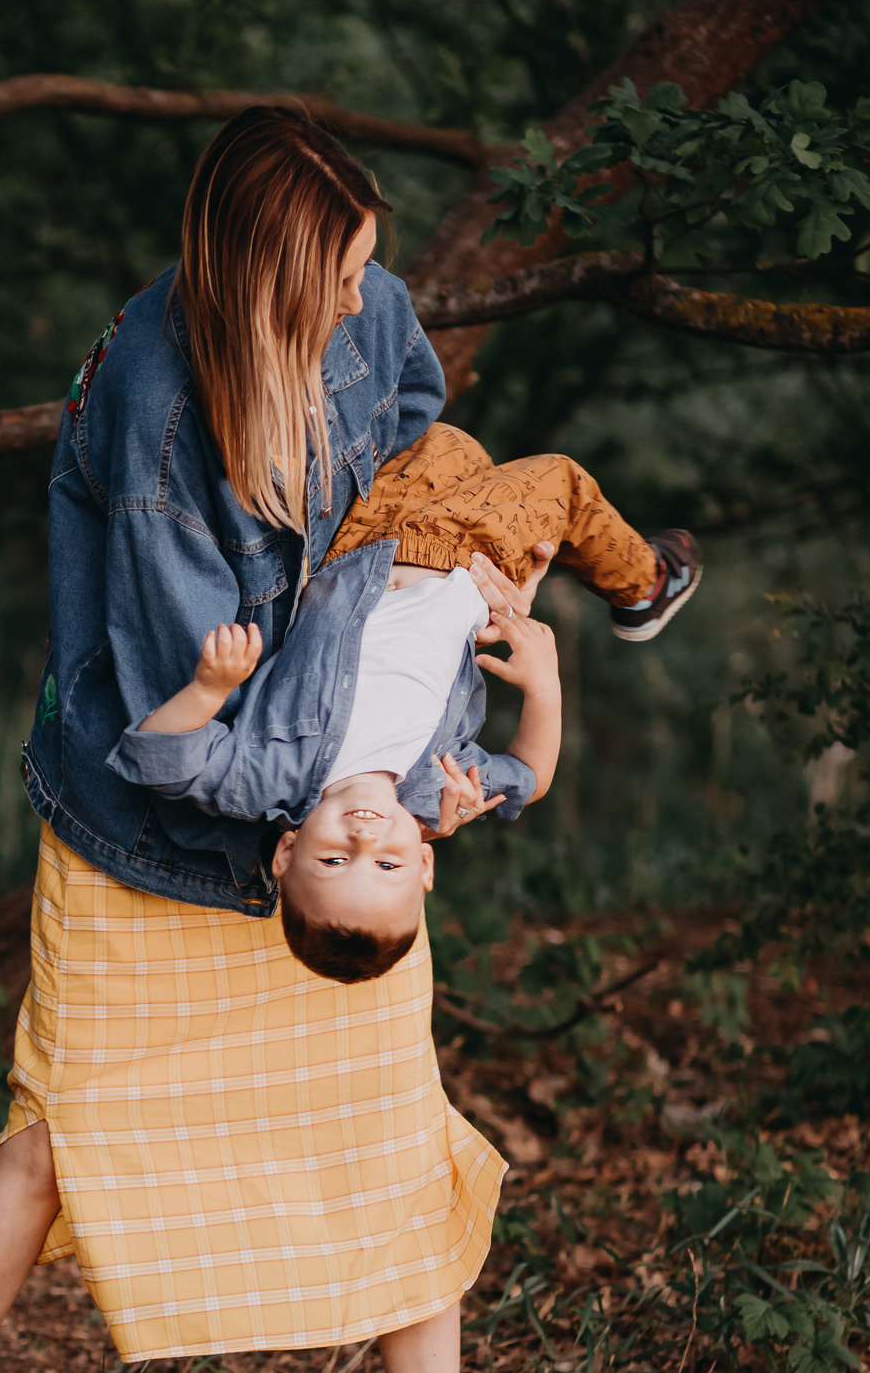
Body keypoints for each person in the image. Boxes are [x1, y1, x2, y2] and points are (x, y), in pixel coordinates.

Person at [0, 108, 525, 1373]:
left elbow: (419, 460)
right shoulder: (154, 407)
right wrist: (358, 801)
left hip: (329, 836)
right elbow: (179, 711)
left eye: (364, 271)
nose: (358, 299)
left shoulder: (368, 306)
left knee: (391, 1137)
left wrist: (446, 681)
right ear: (259, 277)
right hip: (166, 828)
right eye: (333, 278)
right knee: (54, 1146)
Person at [113, 418, 701, 985]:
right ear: (423, 865)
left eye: (335, 862)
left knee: (444, 440)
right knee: (562, 481)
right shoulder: (436, 790)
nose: (364, 841)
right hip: (476, 563)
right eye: (387, 865)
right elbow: (529, 776)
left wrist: (209, 689)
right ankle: (644, 585)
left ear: (287, 854)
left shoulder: (266, 781)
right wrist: (544, 686)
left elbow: (161, 756)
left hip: (364, 545)